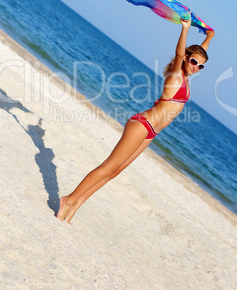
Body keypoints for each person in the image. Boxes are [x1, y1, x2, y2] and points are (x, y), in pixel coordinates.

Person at [57, 14, 215, 223]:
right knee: (108, 166)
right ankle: (67, 200)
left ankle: (76, 204)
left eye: (200, 66)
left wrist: (209, 36)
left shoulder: (186, 76)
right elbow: (180, 54)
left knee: (115, 172)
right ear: (186, 57)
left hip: (152, 132)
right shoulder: (176, 74)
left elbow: (198, 53)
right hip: (142, 124)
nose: (196, 67)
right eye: (193, 62)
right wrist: (184, 29)